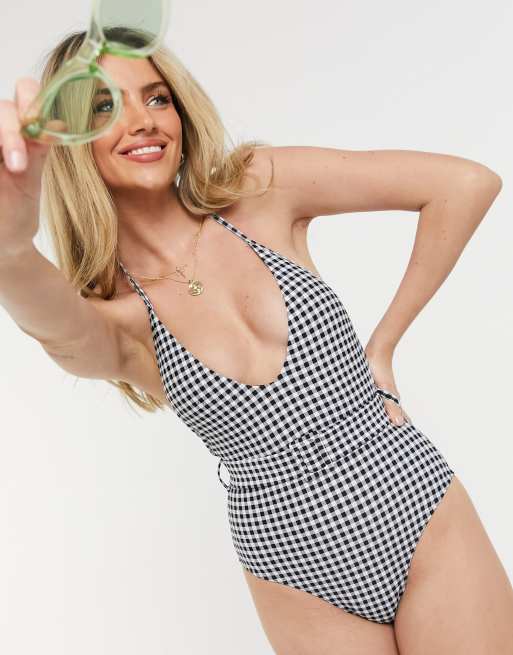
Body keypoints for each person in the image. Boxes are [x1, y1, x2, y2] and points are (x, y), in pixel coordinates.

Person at [1, 26, 512, 655]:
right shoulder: (120, 322)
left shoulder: (259, 190)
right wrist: (8, 245)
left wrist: (382, 346)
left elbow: (465, 184)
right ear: (72, 142)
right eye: (104, 107)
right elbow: (47, 317)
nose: (142, 121)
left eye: (157, 98)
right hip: (295, 568)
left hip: (412, 500)